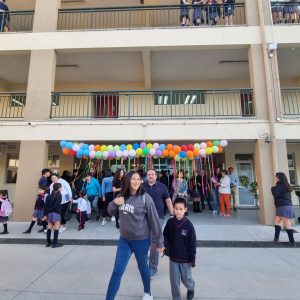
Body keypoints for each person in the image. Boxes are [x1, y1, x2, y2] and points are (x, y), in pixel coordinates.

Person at [106, 171, 164, 300]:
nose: (137, 181)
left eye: (138, 179)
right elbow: (110, 211)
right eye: (133, 179)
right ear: (127, 180)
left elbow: (154, 221)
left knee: (143, 267)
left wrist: (159, 241)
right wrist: (115, 202)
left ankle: (148, 293)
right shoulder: (121, 196)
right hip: (124, 240)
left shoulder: (145, 198)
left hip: (141, 240)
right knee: (117, 271)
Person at [162, 197, 196, 300]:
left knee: (186, 279)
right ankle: (176, 298)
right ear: (173, 209)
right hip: (173, 258)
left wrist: (192, 259)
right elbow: (165, 236)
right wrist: (165, 246)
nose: (178, 211)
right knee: (174, 282)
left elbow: (192, 244)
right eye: (176, 208)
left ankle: (191, 288)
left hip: (185, 259)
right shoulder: (170, 223)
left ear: (185, 209)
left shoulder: (189, 225)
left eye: (181, 209)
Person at [143, 168, 174, 279]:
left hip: (158, 217)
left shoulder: (162, 186)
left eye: (152, 174)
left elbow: (168, 200)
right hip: (143, 218)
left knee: (155, 240)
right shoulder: (142, 187)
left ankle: (152, 268)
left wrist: (172, 213)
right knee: (146, 239)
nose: (150, 176)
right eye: (149, 174)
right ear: (147, 176)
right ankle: (147, 256)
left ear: (156, 176)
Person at [271, 172, 296, 246]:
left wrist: (272, 189)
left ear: (279, 178)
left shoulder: (279, 185)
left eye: (276, 176)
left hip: (283, 206)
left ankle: (291, 241)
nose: (275, 177)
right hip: (286, 205)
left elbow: (276, 194)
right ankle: (276, 238)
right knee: (277, 221)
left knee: (286, 222)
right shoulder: (286, 185)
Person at [44, 183, 63, 248]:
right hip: (56, 213)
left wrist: (46, 213)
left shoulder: (49, 195)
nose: (61, 188)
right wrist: (50, 209)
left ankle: (48, 242)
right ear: (58, 188)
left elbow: (45, 205)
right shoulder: (59, 195)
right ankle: (55, 243)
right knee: (56, 228)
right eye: (61, 187)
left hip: (49, 213)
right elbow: (56, 204)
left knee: (49, 227)